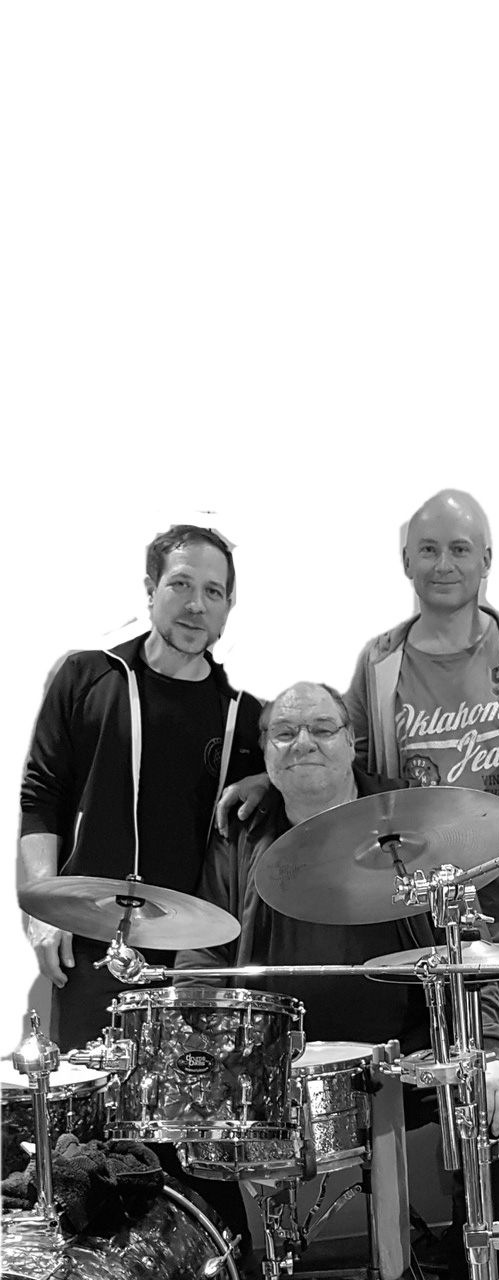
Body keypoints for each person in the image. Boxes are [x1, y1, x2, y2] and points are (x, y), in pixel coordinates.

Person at [217, 493, 499, 1279]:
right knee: (478, 1065)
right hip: (415, 889)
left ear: (486, 558)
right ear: (405, 562)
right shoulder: (380, 660)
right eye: (427, 549)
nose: (443, 564)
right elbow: (327, 745)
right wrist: (269, 776)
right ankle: (473, 1238)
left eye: (460, 548)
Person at [177, 680, 499, 1280]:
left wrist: (490, 1052)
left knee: (494, 1100)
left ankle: (481, 1267)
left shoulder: (412, 819)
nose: (303, 743)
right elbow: (201, 954)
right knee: (183, 1115)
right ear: (264, 751)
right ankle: (232, 1268)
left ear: (351, 741)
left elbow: (466, 952)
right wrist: (209, 1057)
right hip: (279, 1070)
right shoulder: (240, 833)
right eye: (284, 733)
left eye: (322, 729)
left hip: (408, 1059)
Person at [18, 522, 264, 1255]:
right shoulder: (87, 678)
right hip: (96, 946)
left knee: (194, 1148)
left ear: (229, 606)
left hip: (195, 961)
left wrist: (264, 778)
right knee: (90, 1150)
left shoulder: (245, 716)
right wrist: (41, 907)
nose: (196, 604)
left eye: (213, 591)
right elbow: (42, 794)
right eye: (180, 585)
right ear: (151, 588)